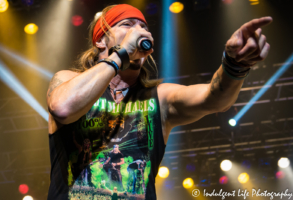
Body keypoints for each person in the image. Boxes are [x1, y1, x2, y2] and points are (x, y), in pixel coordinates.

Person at [47, 4, 272, 200]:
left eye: (144, 27)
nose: (140, 31)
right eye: (127, 24)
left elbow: (214, 99)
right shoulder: (67, 79)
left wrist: (235, 65)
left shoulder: (159, 97)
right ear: (100, 39)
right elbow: (64, 108)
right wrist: (121, 54)